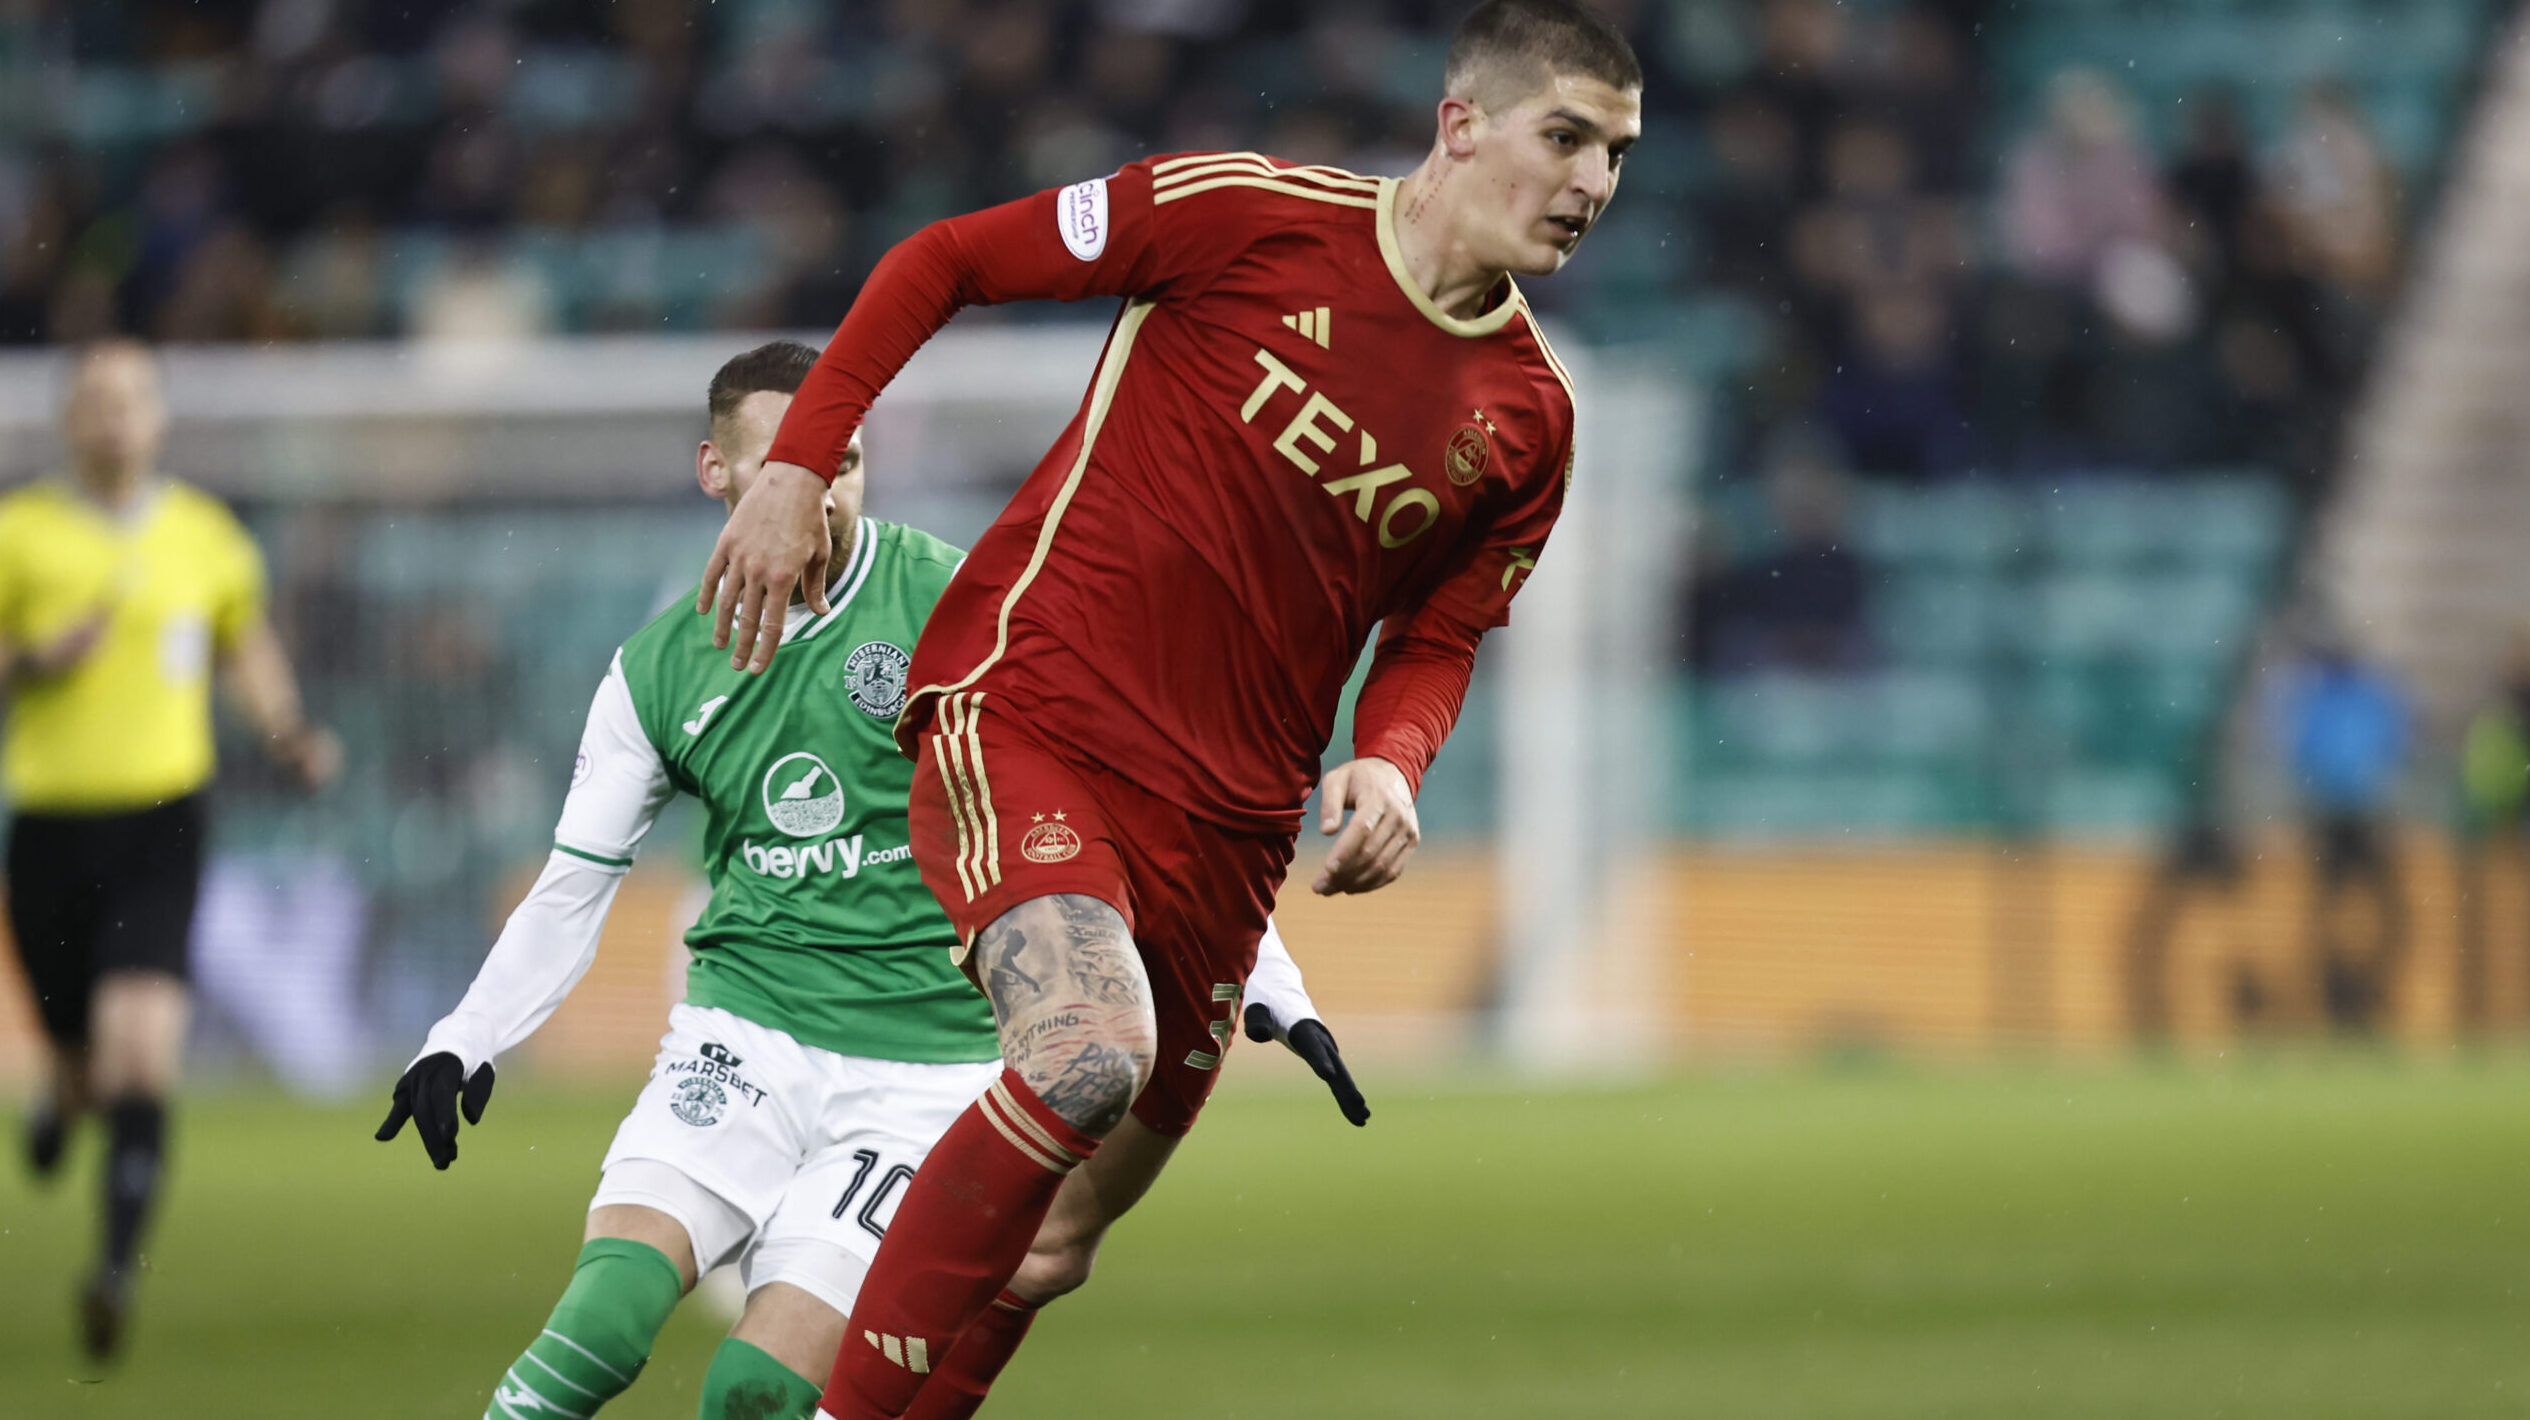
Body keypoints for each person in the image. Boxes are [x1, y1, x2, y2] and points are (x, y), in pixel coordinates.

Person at [695, 2, 1640, 1413]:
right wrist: (795, 464)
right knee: (1086, 1053)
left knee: (1053, 1241)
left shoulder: (1530, 418)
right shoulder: (1242, 214)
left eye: (1616, 155)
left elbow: (1440, 634)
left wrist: (1391, 759)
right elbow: (945, 259)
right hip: (1037, 714)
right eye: (1564, 138)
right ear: (1459, 125)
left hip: (1231, 830)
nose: (1591, 184)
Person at [378, 341, 1359, 1420]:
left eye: (841, 463)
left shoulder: (963, 607)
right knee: (605, 1322)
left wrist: (1270, 978)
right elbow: (573, 885)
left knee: (756, 1391)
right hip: (747, 1033)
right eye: (786, 468)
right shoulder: (658, 667)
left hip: (928, 1077)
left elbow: (1131, 802)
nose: (821, 493)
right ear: (716, 472)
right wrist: (466, 1035)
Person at [0, 338, 339, 1359]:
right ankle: (57, 1100)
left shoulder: (205, 537)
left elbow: (245, 643)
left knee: (142, 1052)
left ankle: (111, 1271)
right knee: (82, 1068)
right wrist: (33, 660)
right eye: (96, 400)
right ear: (70, 420)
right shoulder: (21, 534)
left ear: (158, 418)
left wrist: (287, 732)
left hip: (162, 823)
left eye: (132, 399)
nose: (115, 417)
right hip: (51, 829)